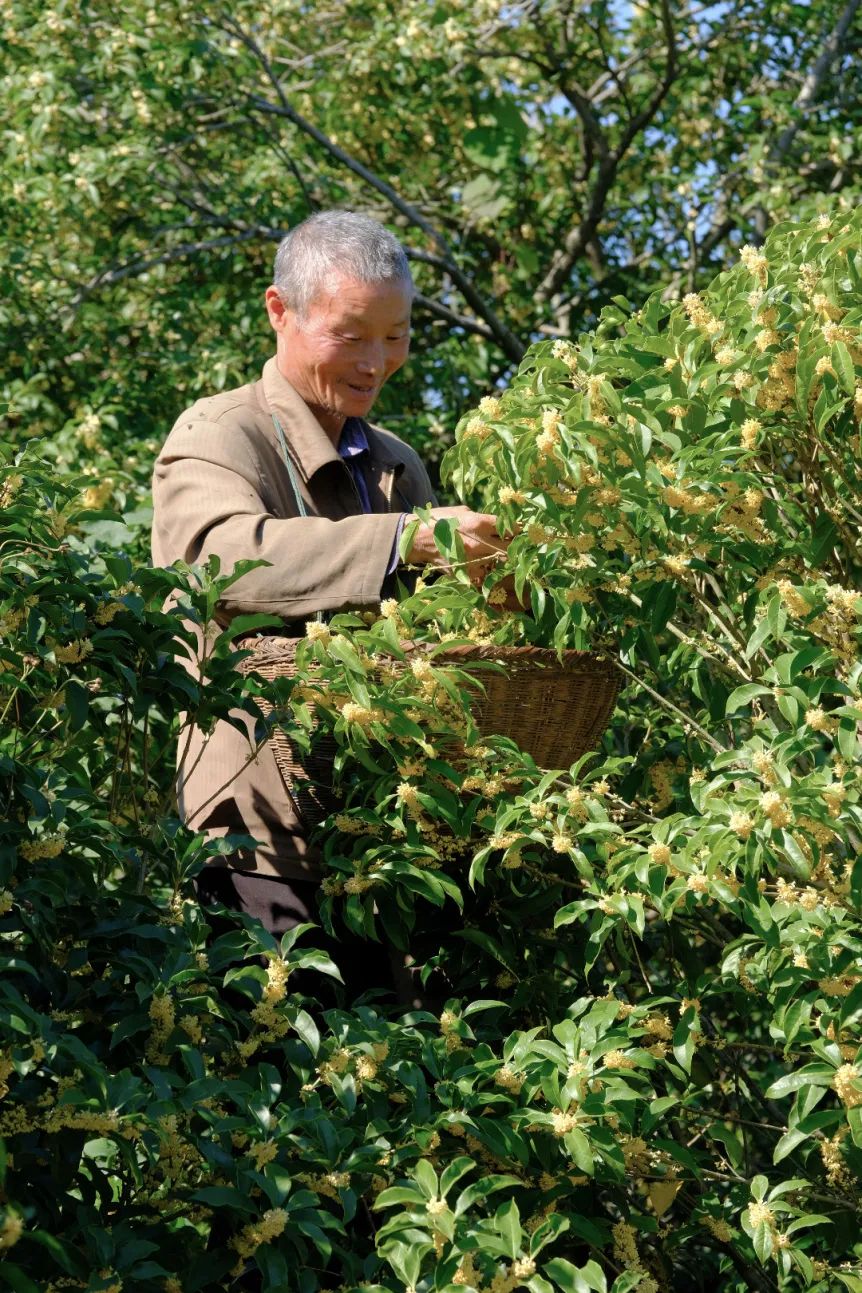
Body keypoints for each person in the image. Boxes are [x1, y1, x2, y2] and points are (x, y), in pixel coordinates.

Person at [151, 210, 507, 964]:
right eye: (351, 335)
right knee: (274, 1056)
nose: (376, 361)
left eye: (398, 335)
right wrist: (404, 538)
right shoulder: (218, 433)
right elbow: (222, 560)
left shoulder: (398, 463)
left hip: (387, 836)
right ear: (281, 311)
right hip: (256, 838)